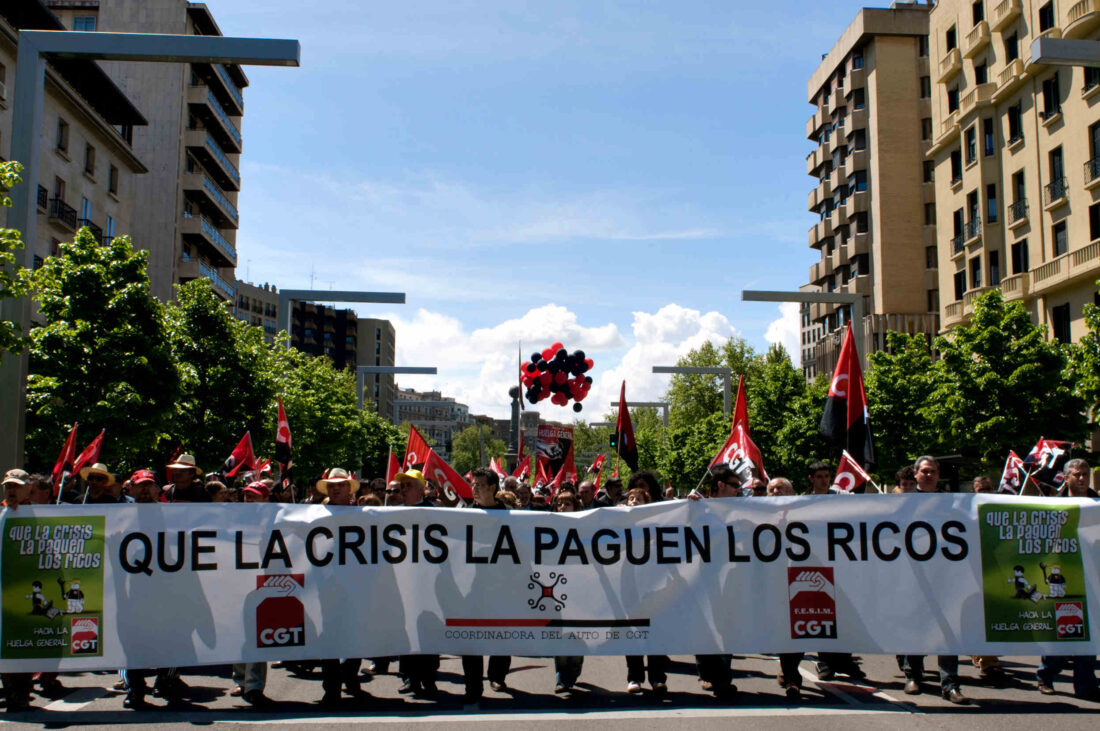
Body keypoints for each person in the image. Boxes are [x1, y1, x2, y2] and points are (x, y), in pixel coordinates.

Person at [895, 456, 967, 704]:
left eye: (933, 471)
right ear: (915, 474)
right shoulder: (904, 503)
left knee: (948, 631)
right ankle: (913, 676)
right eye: (924, 471)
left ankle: (951, 684)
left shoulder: (951, 502)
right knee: (916, 626)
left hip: (945, 575)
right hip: (914, 575)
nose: (929, 475)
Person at [1036, 458, 1099, 700]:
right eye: (1077, 475)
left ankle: (1086, 685)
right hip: (1063, 578)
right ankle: (1046, 674)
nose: (1082, 478)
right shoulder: (1052, 507)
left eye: (1085, 474)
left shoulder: (1097, 504)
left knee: (1090, 635)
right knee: (1063, 630)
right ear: (1067, 478)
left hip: (1093, 577)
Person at [803, 461, 866, 683]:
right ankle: (826, 661)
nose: (824, 480)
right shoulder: (803, 502)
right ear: (811, 479)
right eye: (819, 476)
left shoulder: (841, 498)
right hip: (814, 565)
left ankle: (845, 659)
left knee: (845, 613)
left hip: (841, 564)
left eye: (827, 476)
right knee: (821, 613)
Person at [315, 469, 369, 707]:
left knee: (356, 635)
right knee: (328, 637)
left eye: (340, 485)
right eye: (331, 486)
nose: (335, 489)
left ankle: (350, 674)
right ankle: (332, 687)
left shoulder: (365, 516)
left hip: (357, 586)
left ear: (349, 489)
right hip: (326, 587)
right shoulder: (314, 516)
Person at [461, 468, 511, 707]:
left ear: (493, 488)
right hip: (472, 588)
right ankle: (473, 685)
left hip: (501, 587)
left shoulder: (511, 517)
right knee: (470, 637)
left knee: (501, 634)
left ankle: (497, 676)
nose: (475, 489)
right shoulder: (463, 517)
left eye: (480, 485)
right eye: (473, 484)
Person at [692, 464, 740, 701]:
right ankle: (707, 672)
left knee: (725, 628)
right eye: (734, 486)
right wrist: (688, 506)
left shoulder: (742, 509)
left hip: (731, 579)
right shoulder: (699, 507)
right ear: (720, 485)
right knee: (706, 627)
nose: (738, 490)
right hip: (703, 579)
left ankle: (722, 679)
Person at [393, 469, 440, 699]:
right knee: (407, 629)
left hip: (430, 583)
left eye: (408, 485)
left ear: (421, 489)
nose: (403, 489)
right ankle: (409, 677)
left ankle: (429, 678)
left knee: (429, 628)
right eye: (402, 486)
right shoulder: (394, 514)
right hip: (404, 582)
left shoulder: (436, 513)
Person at [228, 482, 275, 708]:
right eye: (246, 496)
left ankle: (254, 686)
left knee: (257, 634)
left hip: (262, 584)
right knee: (239, 634)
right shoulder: (233, 520)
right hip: (237, 584)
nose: (249, 501)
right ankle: (240, 680)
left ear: (265, 500)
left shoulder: (275, 521)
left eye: (254, 497)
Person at [623, 471, 670, 696]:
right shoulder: (618, 517)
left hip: (655, 580)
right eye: (632, 495)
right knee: (633, 629)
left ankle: (658, 677)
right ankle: (634, 676)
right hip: (629, 581)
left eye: (642, 492)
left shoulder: (663, 514)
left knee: (657, 628)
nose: (635, 500)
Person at [550, 491, 584, 693]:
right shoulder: (547, 526)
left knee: (578, 633)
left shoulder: (586, 526)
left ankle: (574, 670)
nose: (563, 508)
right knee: (560, 634)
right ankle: (561, 678)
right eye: (560, 504)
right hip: (556, 588)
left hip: (579, 588)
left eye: (567, 504)